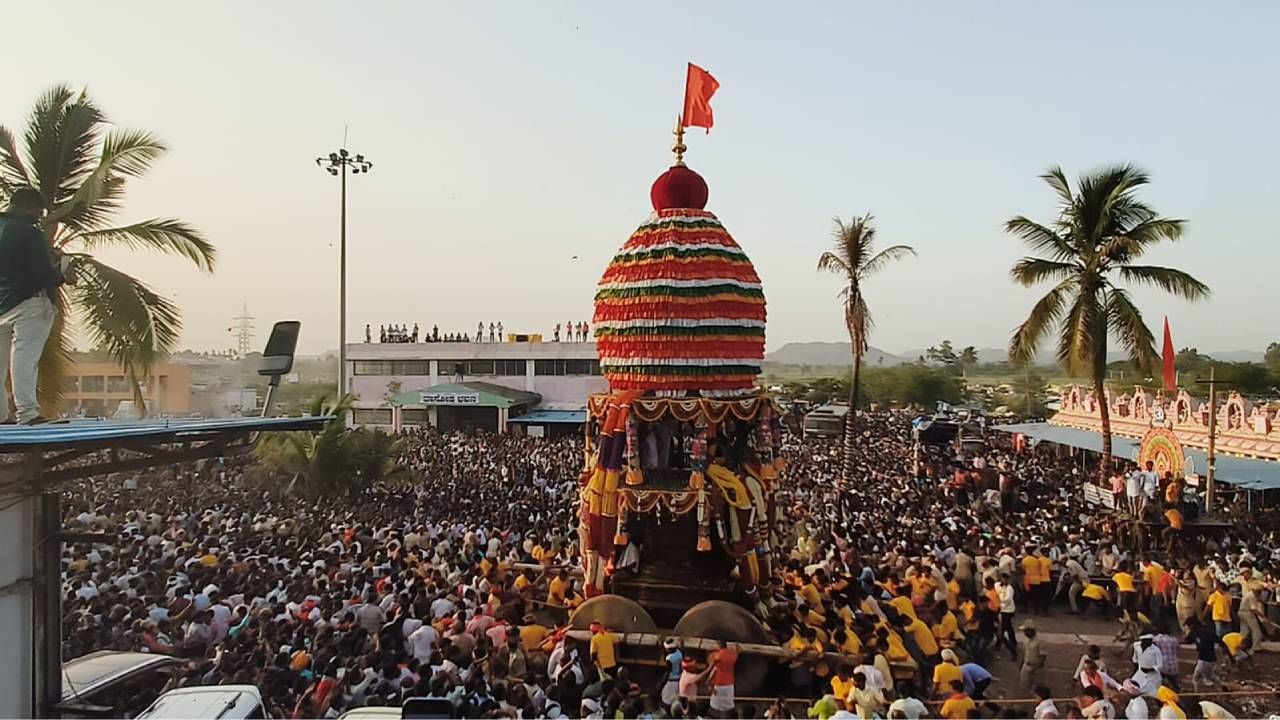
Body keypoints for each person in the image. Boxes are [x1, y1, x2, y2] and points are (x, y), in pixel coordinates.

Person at [0, 187, 71, 425]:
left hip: (2, 305)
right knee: (24, 357)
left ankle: (1, 416)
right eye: (38, 211)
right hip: (31, 301)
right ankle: (27, 413)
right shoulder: (29, 233)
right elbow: (43, 274)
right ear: (28, 207)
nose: (39, 217)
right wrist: (63, 274)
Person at [707, 640, 738, 719]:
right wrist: (736, 646)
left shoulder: (718, 656)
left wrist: (708, 682)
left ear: (719, 646)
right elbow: (738, 652)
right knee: (728, 706)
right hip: (729, 684)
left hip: (719, 683)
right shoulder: (732, 655)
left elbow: (711, 668)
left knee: (716, 706)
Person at [1019, 620, 1048, 690]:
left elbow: (1043, 656)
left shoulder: (1040, 641)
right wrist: (1022, 664)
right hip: (1026, 665)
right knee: (1024, 686)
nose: (1024, 633)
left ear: (1030, 630)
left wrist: (1035, 668)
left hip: (1037, 668)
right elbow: (1025, 652)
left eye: (1025, 631)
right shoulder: (1025, 639)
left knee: (1037, 688)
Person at [661, 637, 683, 708]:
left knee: (667, 701)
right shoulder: (679, 653)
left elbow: (667, 672)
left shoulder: (669, 659)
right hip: (679, 678)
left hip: (672, 681)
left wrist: (661, 683)